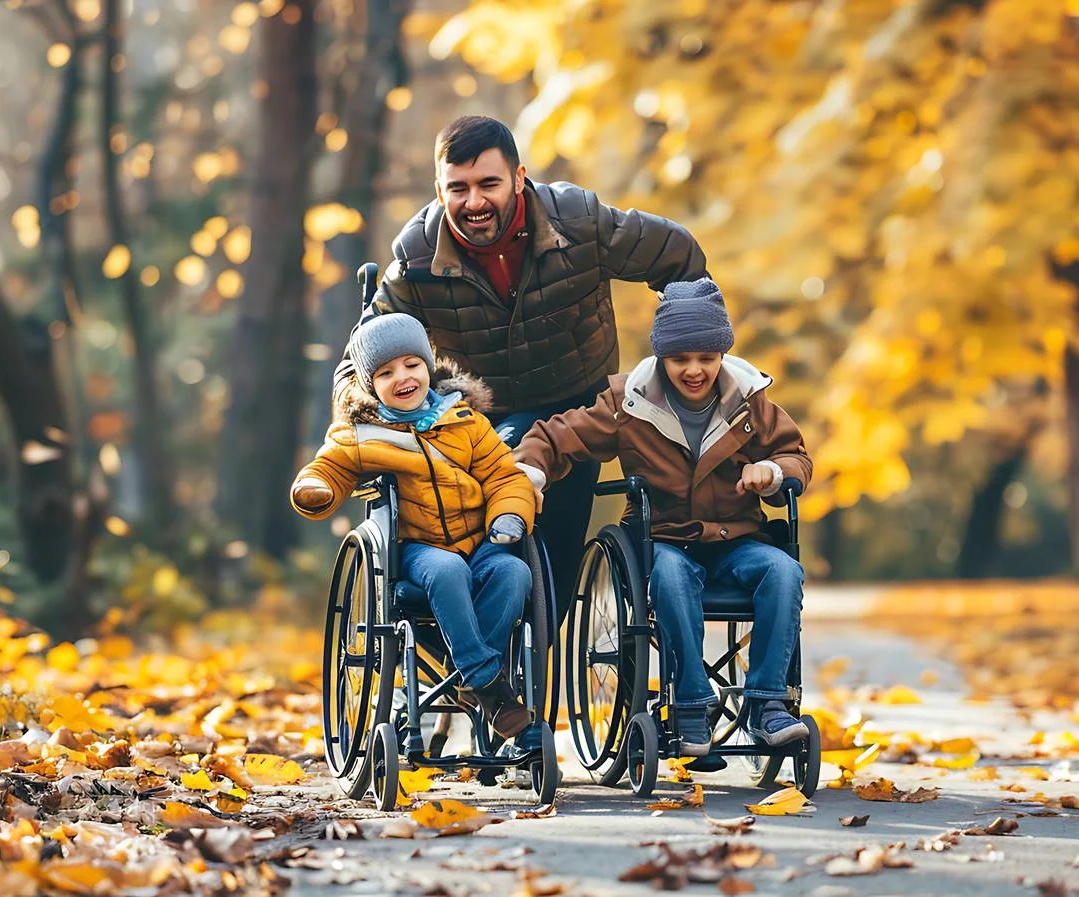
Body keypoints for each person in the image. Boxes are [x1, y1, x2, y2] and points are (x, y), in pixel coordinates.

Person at [334, 114, 708, 607]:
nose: (474, 203)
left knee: (555, 572)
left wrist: (684, 359)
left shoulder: (579, 222)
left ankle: (506, 658)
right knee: (460, 542)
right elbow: (360, 357)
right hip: (475, 422)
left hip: (574, 409)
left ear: (518, 177)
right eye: (458, 188)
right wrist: (364, 419)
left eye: (489, 184)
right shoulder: (416, 258)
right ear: (439, 188)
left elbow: (677, 255)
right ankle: (476, 652)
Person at [512, 278, 813, 756]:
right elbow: (556, 436)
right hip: (663, 539)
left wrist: (773, 472)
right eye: (680, 360)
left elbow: (795, 456)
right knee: (670, 576)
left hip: (737, 538)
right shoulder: (629, 402)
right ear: (661, 358)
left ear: (722, 354)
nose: (694, 371)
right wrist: (530, 470)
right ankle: (691, 703)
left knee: (783, 571)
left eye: (707, 359)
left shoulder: (750, 400)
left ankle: (768, 704)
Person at [293, 313, 537, 740]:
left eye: (411, 364)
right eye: (385, 372)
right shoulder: (363, 434)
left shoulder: (465, 422)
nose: (402, 377)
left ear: (429, 365)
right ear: (370, 385)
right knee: (447, 570)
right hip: (415, 549)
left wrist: (509, 514)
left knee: (514, 571)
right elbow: (328, 465)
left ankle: (471, 677)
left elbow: (504, 476)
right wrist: (315, 487)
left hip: (480, 541)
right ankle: (486, 683)